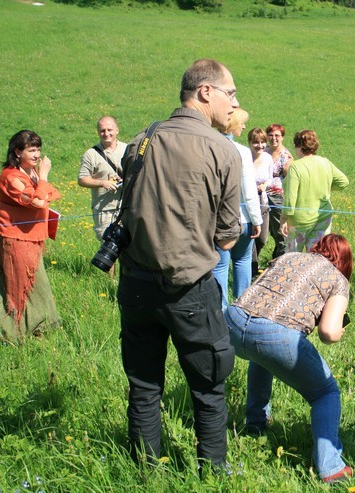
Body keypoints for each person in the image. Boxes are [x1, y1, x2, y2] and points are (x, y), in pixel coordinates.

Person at [117, 59, 242, 470]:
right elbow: (226, 237)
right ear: (205, 92)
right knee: (208, 386)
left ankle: (145, 469)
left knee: (144, 384)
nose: (235, 103)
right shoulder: (222, 149)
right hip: (189, 287)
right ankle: (213, 471)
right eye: (231, 93)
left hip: (135, 282)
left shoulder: (141, 139)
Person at [224, 234, 354, 484]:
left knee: (262, 358)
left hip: (233, 321)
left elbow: (255, 287)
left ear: (317, 248)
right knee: (325, 393)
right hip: (273, 335)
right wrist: (340, 330)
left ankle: (255, 424)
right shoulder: (338, 280)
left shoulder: (288, 256)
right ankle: (331, 467)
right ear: (345, 262)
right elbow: (328, 333)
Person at [0, 130, 61, 343]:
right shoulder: (11, 177)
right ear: (17, 151)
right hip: (16, 240)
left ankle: (38, 327)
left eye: (38, 149)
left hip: (33, 238)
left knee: (36, 285)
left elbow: (52, 194)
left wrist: (40, 186)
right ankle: (12, 334)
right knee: (17, 287)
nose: (36, 155)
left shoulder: (29, 174)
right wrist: (43, 178)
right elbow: (39, 201)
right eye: (31, 150)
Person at [214, 108, 262, 310]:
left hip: (217, 219)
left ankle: (221, 309)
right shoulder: (242, 151)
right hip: (242, 218)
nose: (243, 126)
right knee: (242, 261)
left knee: (220, 265)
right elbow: (249, 191)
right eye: (241, 123)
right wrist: (257, 220)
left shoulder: (210, 146)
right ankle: (242, 308)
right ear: (232, 124)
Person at [280, 130, 349, 252]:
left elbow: (290, 199)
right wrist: (326, 186)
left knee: (293, 256)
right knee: (317, 255)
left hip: (300, 220)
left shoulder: (296, 166)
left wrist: (283, 219)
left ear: (299, 146)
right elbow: (344, 182)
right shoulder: (325, 162)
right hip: (323, 217)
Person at [77, 116, 128, 245]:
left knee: (129, 250)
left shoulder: (127, 149)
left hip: (127, 208)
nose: (106, 134)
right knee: (109, 248)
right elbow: (82, 179)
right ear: (98, 132)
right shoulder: (91, 154)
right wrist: (103, 183)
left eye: (110, 130)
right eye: (102, 130)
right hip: (104, 210)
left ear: (117, 130)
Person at [248, 127, 273, 276]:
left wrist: (265, 185)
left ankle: (253, 261)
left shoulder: (267, 158)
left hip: (263, 201)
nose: (260, 146)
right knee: (250, 237)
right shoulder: (245, 157)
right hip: (249, 202)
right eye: (256, 142)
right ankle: (252, 269)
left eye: (263, 142)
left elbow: (270, 177)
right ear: (250, 143)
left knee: (262, 239)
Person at [265, 123, 293, 259]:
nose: (273, 138)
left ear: (282, 137)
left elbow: (289, 181)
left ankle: (280, 259)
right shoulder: (262, 151)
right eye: (270, 135)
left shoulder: (286, 156)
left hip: (277, 197)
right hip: (261, 196)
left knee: (279, 232)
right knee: (265, 231)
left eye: (277, 135)